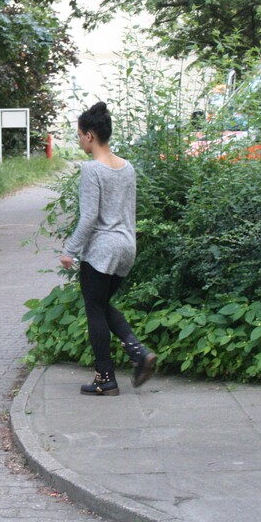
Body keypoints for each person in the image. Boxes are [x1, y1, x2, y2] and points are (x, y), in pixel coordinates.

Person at [59, 101, 156, 396]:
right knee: (101, 306)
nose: (79, 141)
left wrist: (70, 250)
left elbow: (89, 217)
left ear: (89, 135)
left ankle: (106, 379)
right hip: (127, 246)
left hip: (102, 249)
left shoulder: (91, 170)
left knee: (94, 310)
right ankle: (138, 353)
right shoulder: (127, 167)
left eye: (79, 135)